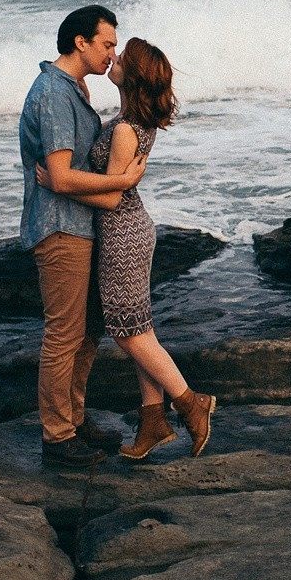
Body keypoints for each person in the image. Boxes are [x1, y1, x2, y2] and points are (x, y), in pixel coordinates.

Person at [74, 37, 216, 460]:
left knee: (128, 333)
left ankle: (192, 404)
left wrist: (60, 185)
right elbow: (119, 183)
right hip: (131, 231)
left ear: (132, 77)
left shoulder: (123, 129)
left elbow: (112, 197)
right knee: (138, 329)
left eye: (122, 57)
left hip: (123, 233)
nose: (113, 59)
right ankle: (153, 420)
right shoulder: (132, 120)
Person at [17, 5, 144, 469]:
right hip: (60, 228)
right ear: (80, 42)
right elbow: (62, 177)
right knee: (64, 334)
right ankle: (57, 437)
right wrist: (122, 183)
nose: (114, 52)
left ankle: (72, 419)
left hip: (82, 227)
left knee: (88, 331)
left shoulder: (73, 89)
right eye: (108, 43)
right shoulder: (53, 93)